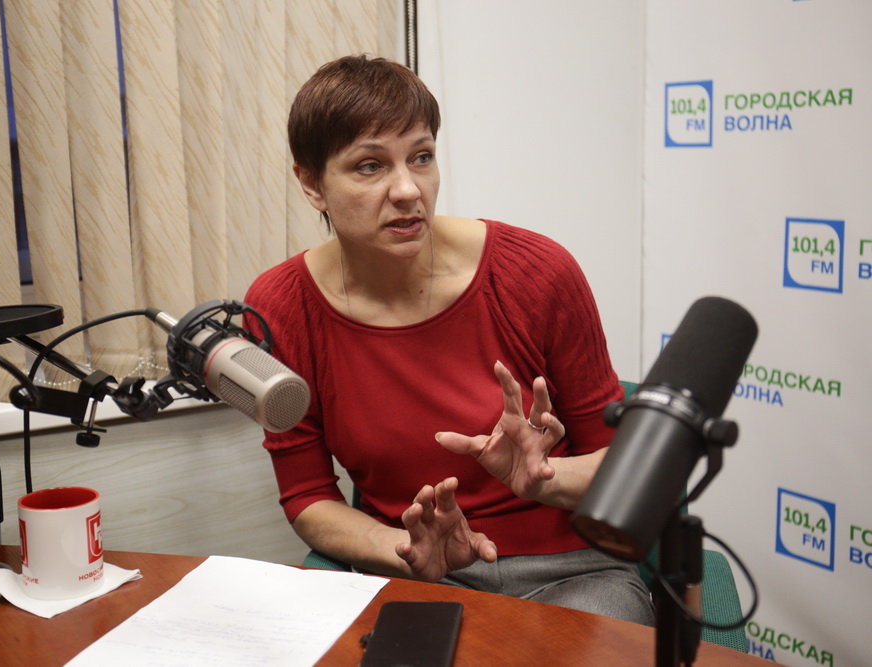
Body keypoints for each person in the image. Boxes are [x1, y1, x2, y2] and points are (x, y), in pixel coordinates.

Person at [243, 54, 653, 625]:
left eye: (422, 157)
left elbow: (627, 466)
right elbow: (308, 497)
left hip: (572, 571)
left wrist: (544, 480)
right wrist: (404, 549)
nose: (408, 189)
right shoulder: (280, 307)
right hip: (417, 574)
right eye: (369, 166)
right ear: (312, 184)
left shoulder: (536, 273)